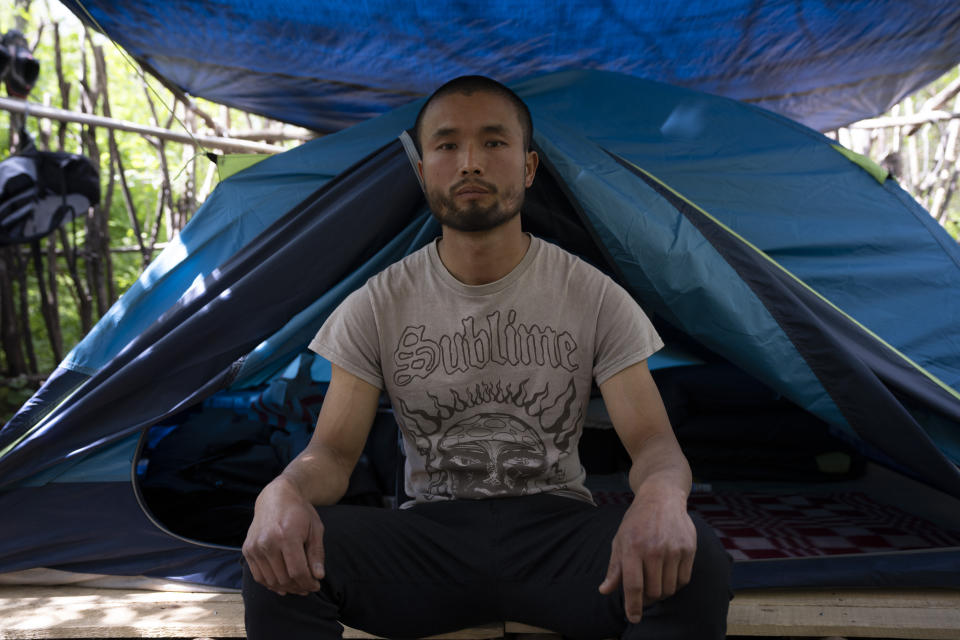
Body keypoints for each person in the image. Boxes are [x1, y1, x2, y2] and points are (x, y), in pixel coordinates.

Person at [241, 75, 731, 640]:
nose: (470, 161)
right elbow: (329, 455)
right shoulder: (376, 304)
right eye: (447, 145)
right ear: (423, 172)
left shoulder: (593, 295)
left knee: (693, 559)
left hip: (560, 539)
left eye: (494, 142)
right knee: (277, 560)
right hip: (429, 546)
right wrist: (281, 492)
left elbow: (653, 444)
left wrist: (661, 499)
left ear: (528, 167)